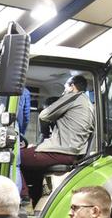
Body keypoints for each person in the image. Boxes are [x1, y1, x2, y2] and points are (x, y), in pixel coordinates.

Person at [21, 75, 95, 204]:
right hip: (72, 153)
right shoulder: (88, 104)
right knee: (32, 166)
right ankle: (36, 199)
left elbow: (44, 116)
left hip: (59, 151)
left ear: (72, 87)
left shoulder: (74, 97)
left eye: (65, 87)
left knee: (13, 157)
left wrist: (44, 135)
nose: (63, 91)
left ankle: (23, 198)